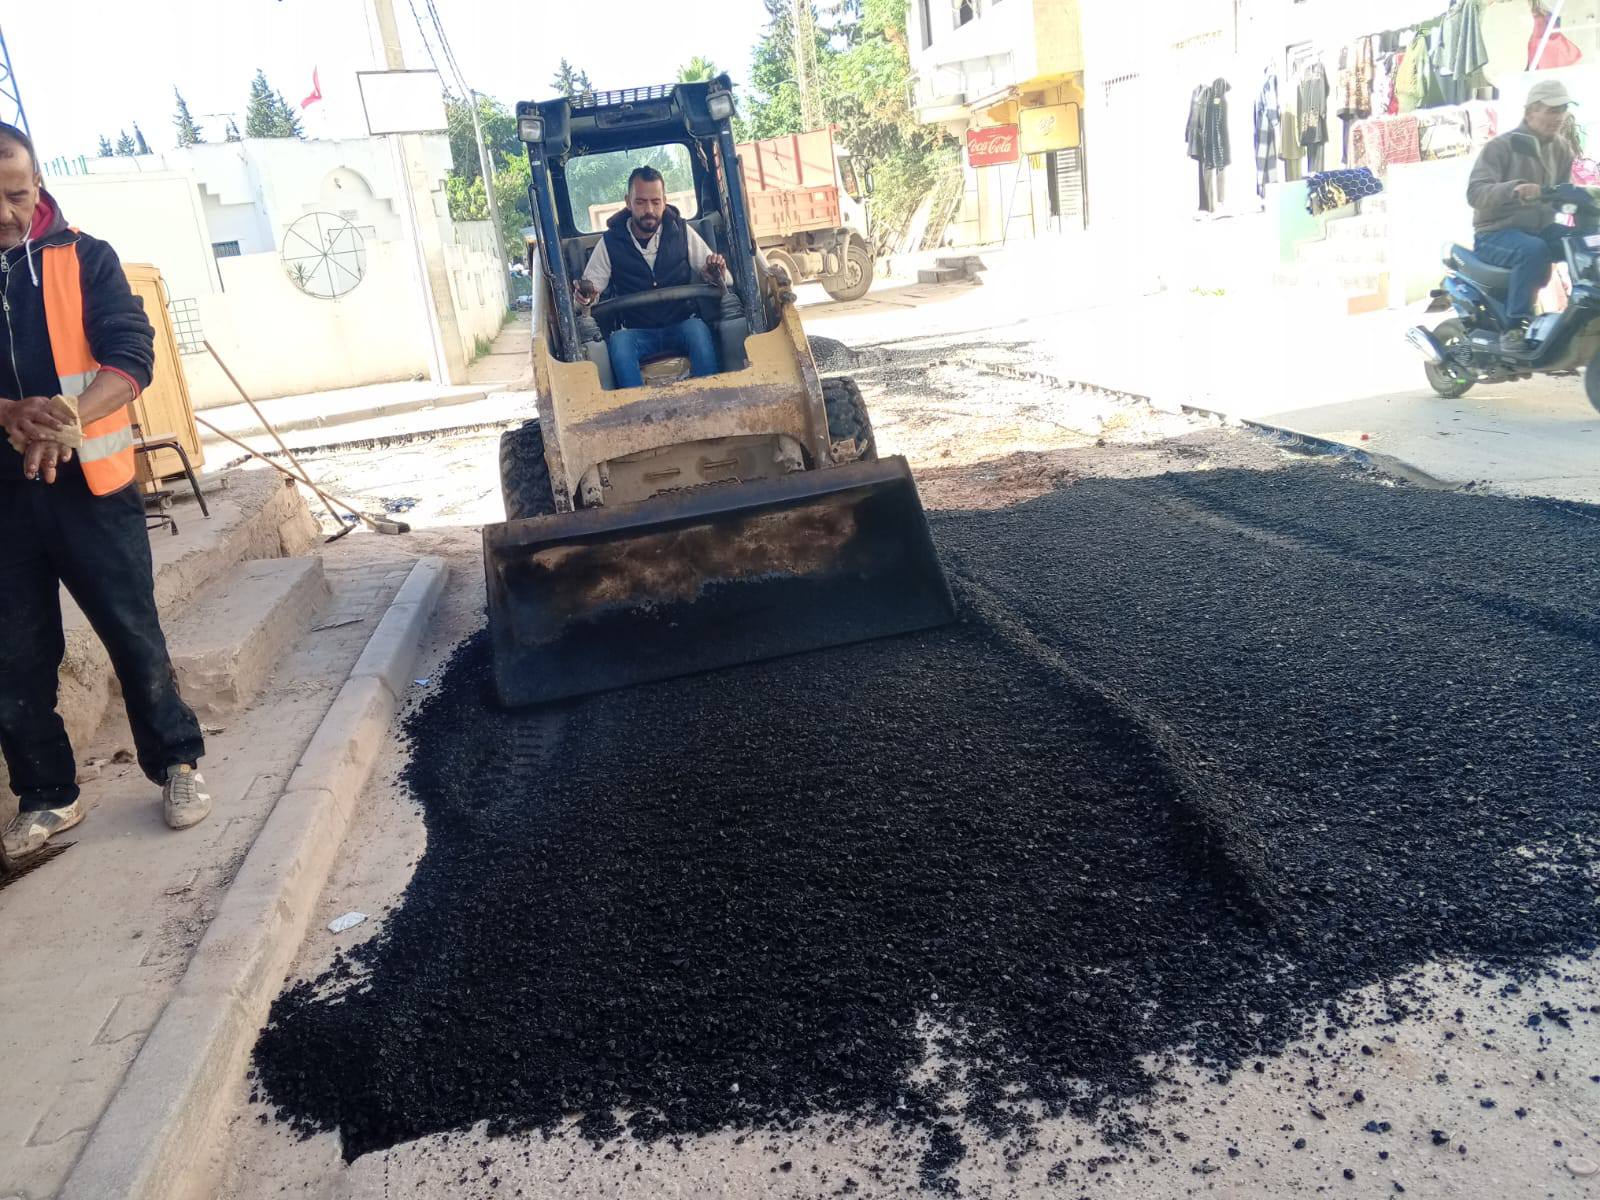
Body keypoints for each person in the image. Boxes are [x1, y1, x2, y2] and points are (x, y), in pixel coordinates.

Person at [0, 122, 210, 860]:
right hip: (4, 503)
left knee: (132, 631)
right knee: (13, 655)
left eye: (15, 194)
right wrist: (6, 414)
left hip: (92, 487)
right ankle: (48, 796)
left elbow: (130, 354)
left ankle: (178, 763)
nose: (4, 213)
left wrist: (69, 417)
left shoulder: (85, 258)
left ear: (38, 184)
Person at [574, 166, 727, 388]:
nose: (649, 210)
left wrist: (714, 272)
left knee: (698, 331)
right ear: (628, 202)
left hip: (682, 324)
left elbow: (722, 278)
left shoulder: (682, 232)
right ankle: (635, 406)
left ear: (665, 201)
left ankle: (711, 397)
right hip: (636, 331)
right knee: (619, 343)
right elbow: (590, 291)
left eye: (656, 202)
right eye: (641, 202)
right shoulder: (610, 243)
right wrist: (586, 295)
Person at [1466, 79, 1577, 351]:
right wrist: (1514, 189)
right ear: (1530, 111)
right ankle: (1515, 327)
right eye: (1551, 110)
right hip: (1496, 232)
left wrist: (1579, 201)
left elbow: (1563, 195)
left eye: (1562, 109)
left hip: (1541, 229)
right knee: (1533, 250)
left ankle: (1584, 313)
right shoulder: (1501, 147)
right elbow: (1475, 193)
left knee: (1584, 242)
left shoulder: (1562, 148)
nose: (1558, 116)